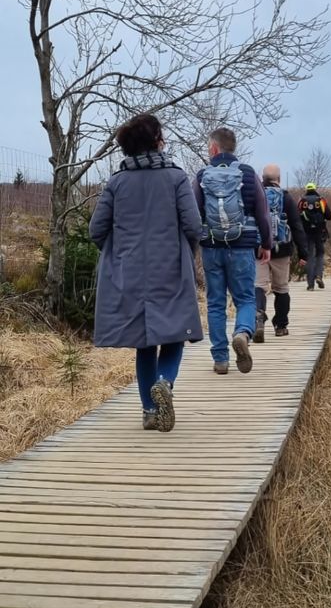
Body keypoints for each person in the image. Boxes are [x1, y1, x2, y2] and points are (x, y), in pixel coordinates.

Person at [89, 113, 204, 432]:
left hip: (130, 274)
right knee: (175, 334)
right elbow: (194, 225)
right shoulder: (176, 177)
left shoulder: (116, 182)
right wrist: (186, 250)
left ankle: (150, 412)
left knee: (144, 343)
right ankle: (165, 382)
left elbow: (96, 230)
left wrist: (118, 255)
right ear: (156, 140)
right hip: (170, 268)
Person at [193, 127, 271, 375]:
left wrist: (193, 245)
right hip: (242, 246)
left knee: (215, 303)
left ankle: (220, 359)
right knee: (246, 298)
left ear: (214, 148)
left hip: (212, 248)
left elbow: (194, 215)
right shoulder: (247, 174)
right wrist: (266, 243)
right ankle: (242, 333)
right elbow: (262, 211)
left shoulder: (202, 175)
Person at [256, 164, 309, 339]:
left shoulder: (256, 195)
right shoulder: (286, 198)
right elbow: (296, 226)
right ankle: (280, 325)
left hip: (258, 249)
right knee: (281, 288)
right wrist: (303, 253)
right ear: (279, 179)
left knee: (259, 286)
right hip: (282, 250)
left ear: (262, 177)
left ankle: (258, 319)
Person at [298, 182, 331, 290]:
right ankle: (319, 275)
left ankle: (310, 285)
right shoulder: (320, 200)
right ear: (315, 189)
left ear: (306, 189)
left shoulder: (302, 201)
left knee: (309, 257)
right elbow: (328, 216)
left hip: (306, 233)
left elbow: (296, 217)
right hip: (319, 232)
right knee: (320, 254)